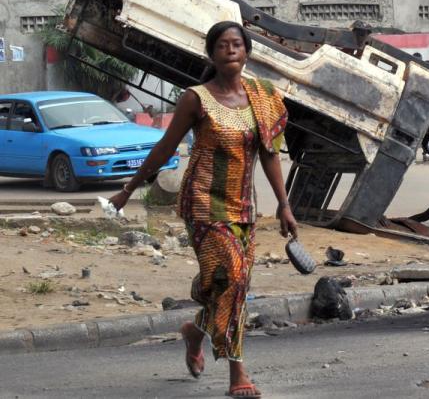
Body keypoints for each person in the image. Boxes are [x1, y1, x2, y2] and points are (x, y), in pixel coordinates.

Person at [109, 21, 297, 399]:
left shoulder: (262, 96)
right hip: (203, 206)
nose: (231, 50)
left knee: (233, 285)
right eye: (223, 45)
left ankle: (195, 331)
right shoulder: (196, 98)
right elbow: (165, 147)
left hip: (244, 208)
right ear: (211, 54)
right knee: (232, 283)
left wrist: (284, 203)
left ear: (246, 52)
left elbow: (269, 153)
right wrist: (128, 190)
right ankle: (237, 374)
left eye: (238, 44)